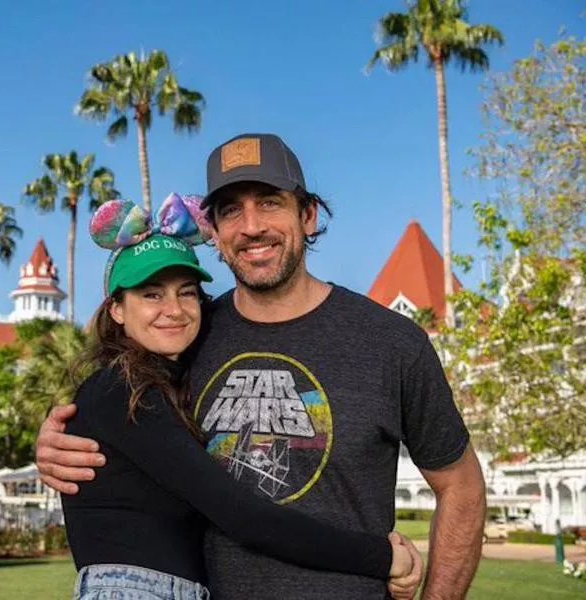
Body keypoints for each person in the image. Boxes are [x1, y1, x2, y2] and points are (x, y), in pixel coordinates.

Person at [39, 134, 487, 599]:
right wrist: (57, 438)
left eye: (270, 202)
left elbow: (462, 487)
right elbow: (120, 412)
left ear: (308, 215)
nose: (251, 226)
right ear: (212, 230)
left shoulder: (391, 343)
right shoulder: (187, 335)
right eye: (231, 210)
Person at [64, 193, 421, 599]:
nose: (174, 309)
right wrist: (381, 557)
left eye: (186, 292)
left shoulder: (166, 385)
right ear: (116, 309)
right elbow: (245, 518)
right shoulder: (121, 391)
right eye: (151, 294)